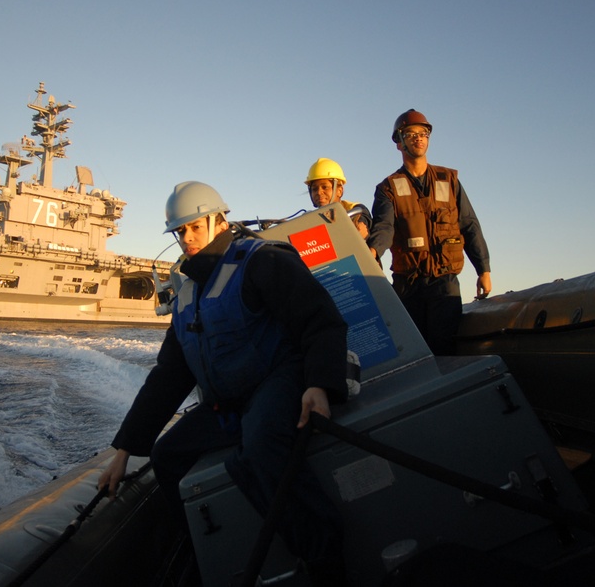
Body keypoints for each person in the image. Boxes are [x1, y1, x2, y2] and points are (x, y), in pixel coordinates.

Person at [98, 181, 349, 584]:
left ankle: (324, 561)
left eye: (195, 226)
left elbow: (320, 320)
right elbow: (169, 375)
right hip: (227, 403)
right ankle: (204, 551)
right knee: (167, 456)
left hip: (277, 382)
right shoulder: (186, 293)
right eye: (180, 231)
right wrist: (126, 449)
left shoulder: (262, 262)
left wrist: (318, 384)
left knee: (264, 442)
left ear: (219, 221)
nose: (187, 238)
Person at [367, 109, 492, 355]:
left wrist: (483, 269)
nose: (419, 138)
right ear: (399, 143)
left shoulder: (448, 180)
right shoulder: (388, 188)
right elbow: (384, 226)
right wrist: (372, 251)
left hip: (444, 282)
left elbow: (469, 224)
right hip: (408, 285)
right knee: (416, 350)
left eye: (423, 133)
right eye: (411, 134)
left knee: (445, 346)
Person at [304, 157, 373, 240]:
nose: (319, 192)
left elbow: (363, 222)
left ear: (339, 191)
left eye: (325, 187)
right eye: (314, 189)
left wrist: (359, 226)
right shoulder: (309, 220)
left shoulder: (355, 210)